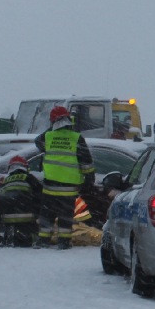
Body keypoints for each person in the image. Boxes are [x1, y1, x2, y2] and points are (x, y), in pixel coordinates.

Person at [34, 106, 95, 250]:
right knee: (65, 216)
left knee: (47, 215)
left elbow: (38, 143)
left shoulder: (47, 137)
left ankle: (43, 240)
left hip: (50, 185)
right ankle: (63, 242)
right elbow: (86, 161)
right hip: (69, 187)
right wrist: (89, 179)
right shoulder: (76, 138)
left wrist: (52, 128)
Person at [0, 155, 42, 248]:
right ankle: (33, 238)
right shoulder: (29, 178)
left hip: (7, 217)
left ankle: (5, 236)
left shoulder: (5, 180)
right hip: (27, 217)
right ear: (25, 167)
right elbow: (39, 195)